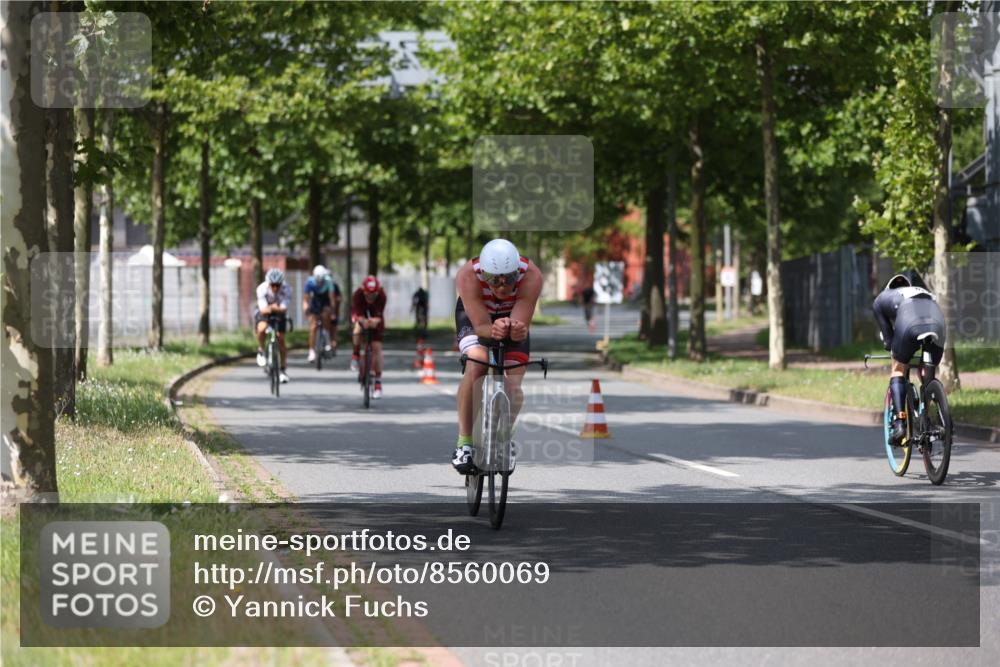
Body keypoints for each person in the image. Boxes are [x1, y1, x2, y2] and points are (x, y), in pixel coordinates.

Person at [452, 238, 542, 474]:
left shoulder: (531, 276)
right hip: (476, 318)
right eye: (494, 280)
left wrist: (518, 328)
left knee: (513, 382)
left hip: (511, 315)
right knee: (477, 365)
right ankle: (465, 444)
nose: (502, 286)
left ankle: (504, 439)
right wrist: (492, 329)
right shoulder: (468, 276)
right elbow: (481, 325)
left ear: (517, 272)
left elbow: (520, 323)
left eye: (509, 279)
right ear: (483, 272)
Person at [872, 270, 945, 447]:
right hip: (937, 318)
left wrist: (893, 349)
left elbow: (888, 340)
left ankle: (899, 423)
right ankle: (934, 418)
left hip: (908, 318)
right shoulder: (920, 290)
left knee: (897, 368)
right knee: (927, 370)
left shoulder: (881, 299)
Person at [254, 268, 292, 383]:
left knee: (281, 340)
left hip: (279, 314)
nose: (275, 288)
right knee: (261, 328)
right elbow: (263, 310)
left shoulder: (287, 289)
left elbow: (284, 308)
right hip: (265, 313)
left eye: (278, 285)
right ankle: (261, 350)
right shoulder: (261, 288)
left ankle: (283, 370)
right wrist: (274, 307)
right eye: (273, 285)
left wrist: (275, 308)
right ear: (268, 283)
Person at [351, 275, 386, 399]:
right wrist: (363, 322)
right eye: (368, 295)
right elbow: (358, 314)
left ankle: (378, 382)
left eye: (373, 295)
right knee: (357, 330)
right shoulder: (357, 295)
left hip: (375, 318)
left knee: (377, 348)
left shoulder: (382, 296)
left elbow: (379, 315)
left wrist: (375, 321)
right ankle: (355, 355)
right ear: (363, 291)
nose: (370, 297)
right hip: (362, 315)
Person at [303, 265, 334, 363]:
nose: (320, 283)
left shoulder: (329, 281)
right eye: (318, 281)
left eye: (321, 281)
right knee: (313, 327)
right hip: (315, 302)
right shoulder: (310, 282)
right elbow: (306, 299)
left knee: (326, 316)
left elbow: (331, 298)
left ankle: (326, 336)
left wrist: (332, 310)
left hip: (325, 301)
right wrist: (306, 309)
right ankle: (311, 351)